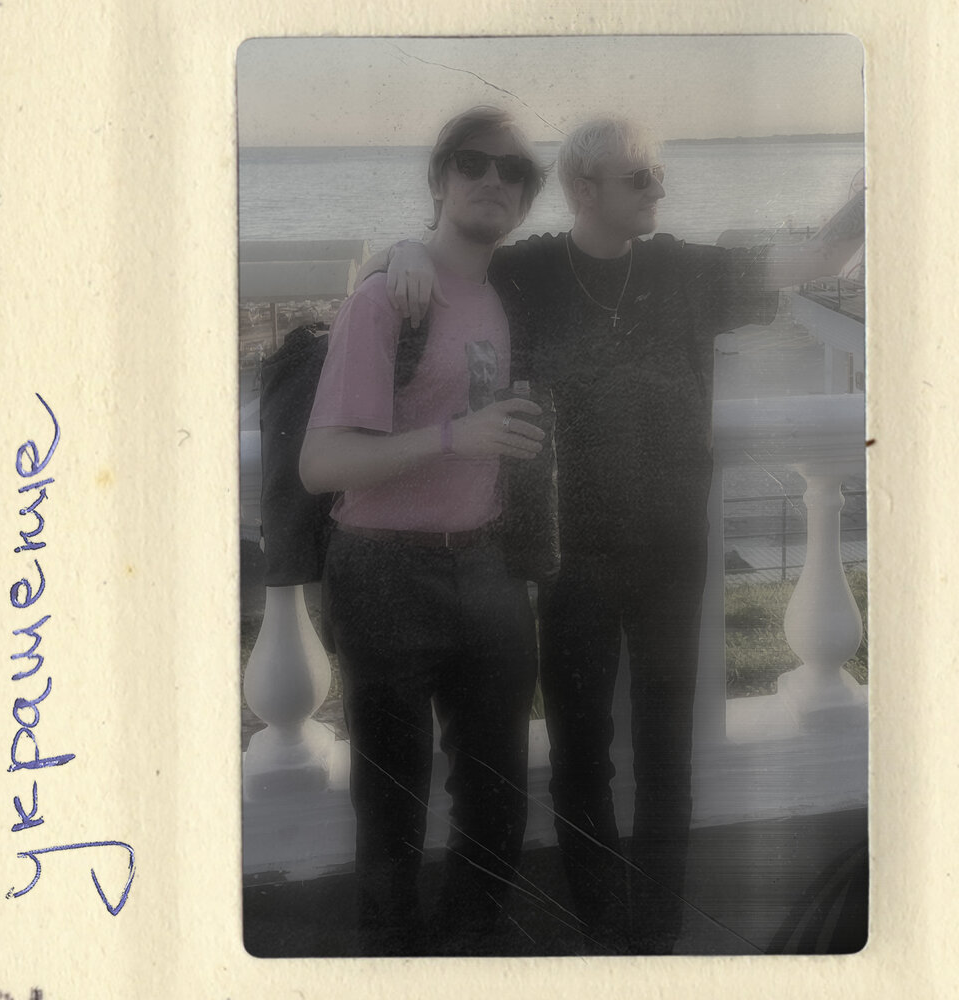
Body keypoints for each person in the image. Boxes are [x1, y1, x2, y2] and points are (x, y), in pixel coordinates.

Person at [379, 115, 865, 952]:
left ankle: (657, 938)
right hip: (568, 561)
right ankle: (607, 931)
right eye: (641, 178)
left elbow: (819, 259)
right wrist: (402, 252)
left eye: (658, 176)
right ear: (583, 188)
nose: (659, 190)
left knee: (666, 758)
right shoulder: (528, 272)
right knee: (581, 759)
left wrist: (881, 185)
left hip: (673, 557)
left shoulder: (684, 271)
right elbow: (437, 267)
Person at [298, 106, 549, 956]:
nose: (493, 179)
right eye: (472, 163)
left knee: (498, 797)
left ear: (528, 197)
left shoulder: (510, 291)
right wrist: (454, 437)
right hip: (383, 575)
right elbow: (321, 463)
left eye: (513, 171)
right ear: (439, 179)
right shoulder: (387, 301)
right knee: (391, 807)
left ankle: (471, 954)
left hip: (487, 567)